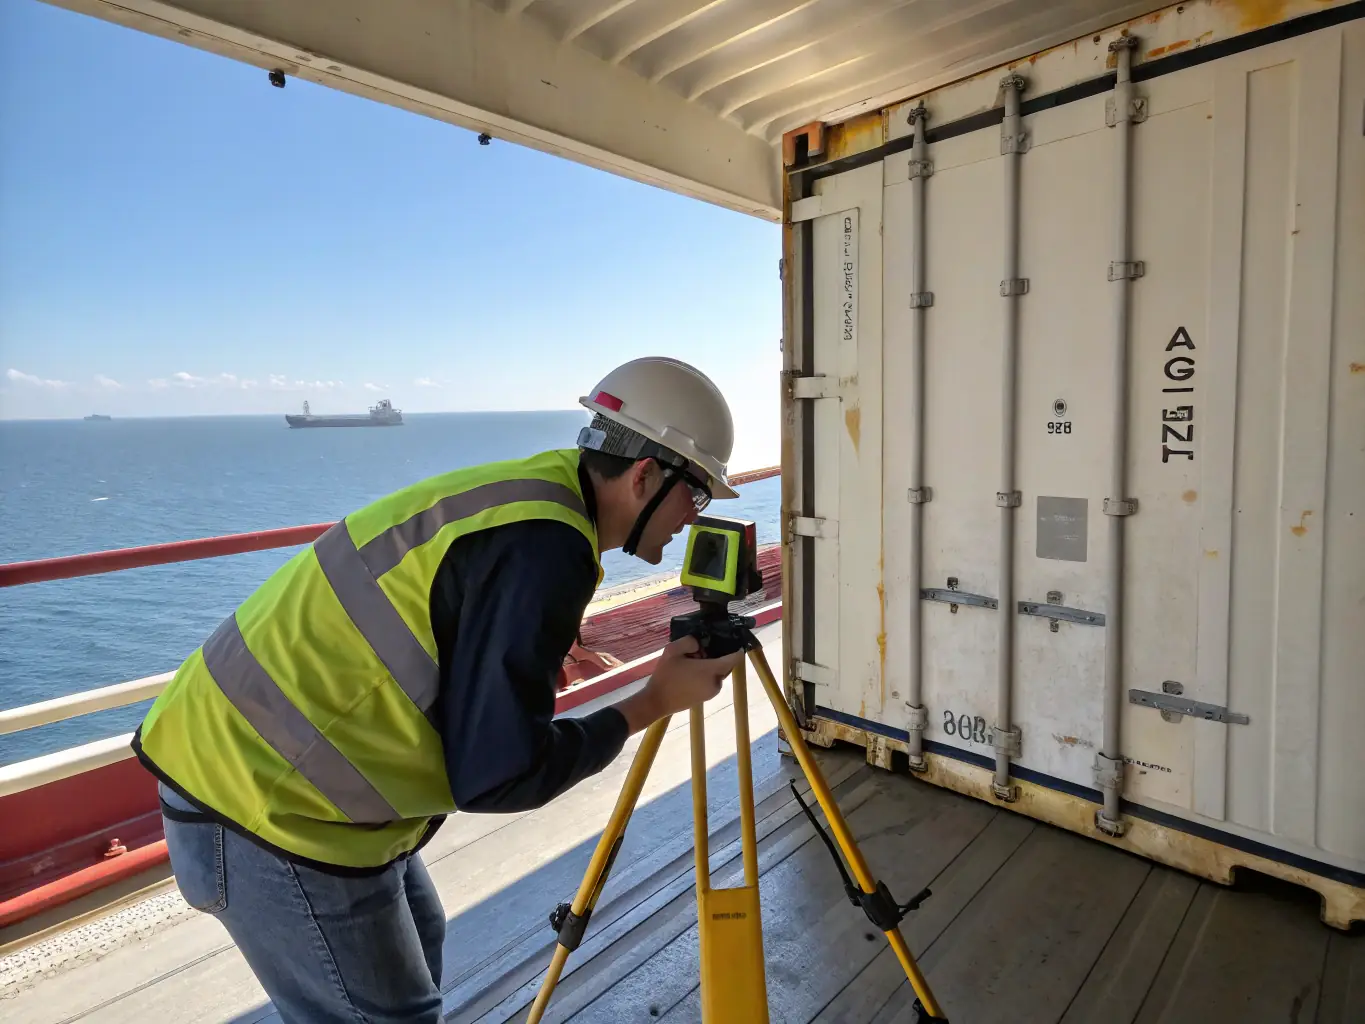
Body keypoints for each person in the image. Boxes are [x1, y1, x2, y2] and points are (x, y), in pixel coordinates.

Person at [131, 356, 746, 1023]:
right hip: (264, 808)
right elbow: (500, 776)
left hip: (272, 777)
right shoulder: (547, 548)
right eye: (699, 492)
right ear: (644, 475)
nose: (694, 515)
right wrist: (652, 701)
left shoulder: (541, 495)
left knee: (421, 945)